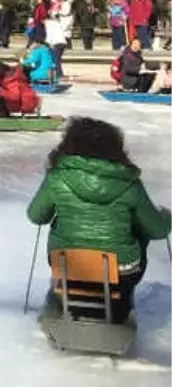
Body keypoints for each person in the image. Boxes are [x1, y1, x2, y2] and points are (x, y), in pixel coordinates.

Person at [26, 117, 172, 321]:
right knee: (140, 233)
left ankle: (66, 294)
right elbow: (157, 230)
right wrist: (166, 218)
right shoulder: (130, 183)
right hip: (121, 274)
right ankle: (120, 300)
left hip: (68, 265)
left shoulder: (57, 177)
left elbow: (36, 216)